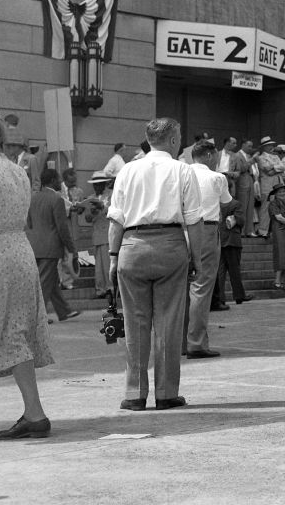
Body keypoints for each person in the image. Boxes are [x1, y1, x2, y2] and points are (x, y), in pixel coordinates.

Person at [107, 117, 205, 411]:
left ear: (149, 140)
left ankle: (134, 393)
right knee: (168, 323)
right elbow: (194, 220)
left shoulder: (127, 170)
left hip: (132, 246)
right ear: (174, 141)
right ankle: (165, 393)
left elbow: (116, 219)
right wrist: (196, 258)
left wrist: (113, 257)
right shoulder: (182, 170)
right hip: (170, 245)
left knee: (134, 322)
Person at [0, 111, 55, 440]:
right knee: (15, 333)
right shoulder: (17, 172)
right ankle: (34, 413)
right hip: (20, 255)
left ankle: (35, 415)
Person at [185, 139, 231, 358]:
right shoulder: (217, 177)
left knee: (179, 288)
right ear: (210, 155)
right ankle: (196, 342)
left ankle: (180, 341)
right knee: (201, 286)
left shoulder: (180, 173)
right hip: (206, 229)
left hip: (180, 231)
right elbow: (226, 201)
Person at [25, 168, 80, 323]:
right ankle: (36, 318)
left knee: (51, 281)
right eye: (57, 179)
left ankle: (64, 311)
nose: (59, 182)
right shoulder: (57, 200)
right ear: (52, 180)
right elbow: (62, 228)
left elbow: (29, 222)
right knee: (44, 283)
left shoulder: (33, 198)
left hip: (35, 246)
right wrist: (71, 248)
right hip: (51, 247)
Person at [212, 178, 253, 309]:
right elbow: (241, 221)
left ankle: (221, 298)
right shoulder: (235, 204)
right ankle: (239, 295)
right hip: (233, 240)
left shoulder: (216, 203)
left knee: (221, 271)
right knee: (234, 270)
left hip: (220, 240)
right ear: (230, 189)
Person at [85, 172, 114, 299]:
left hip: (108, 234)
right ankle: (100, 289)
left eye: (99, 184)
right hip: (97, 235)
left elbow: (113, 211)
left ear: (104, 184)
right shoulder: (90, 198)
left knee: (108, 264)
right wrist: (91, 211)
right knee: (99, 267)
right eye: (95, 185)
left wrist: (101, 207)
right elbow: (87, 218)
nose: (96, 187)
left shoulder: (111, 195)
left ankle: (111, 289)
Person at [255, 137, 284, 237]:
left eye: (272, 145)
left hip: (277, 184)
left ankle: (273, 230)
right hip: (267, 185)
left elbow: (282, 167)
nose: (272, 147)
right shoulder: (261, 157)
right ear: (265, 147)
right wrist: (276, 168)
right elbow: (266, 168)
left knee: (278, 206)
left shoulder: (275, 157)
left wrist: (273, 169)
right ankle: (263, 230)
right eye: (270, 145)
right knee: (266, 207)